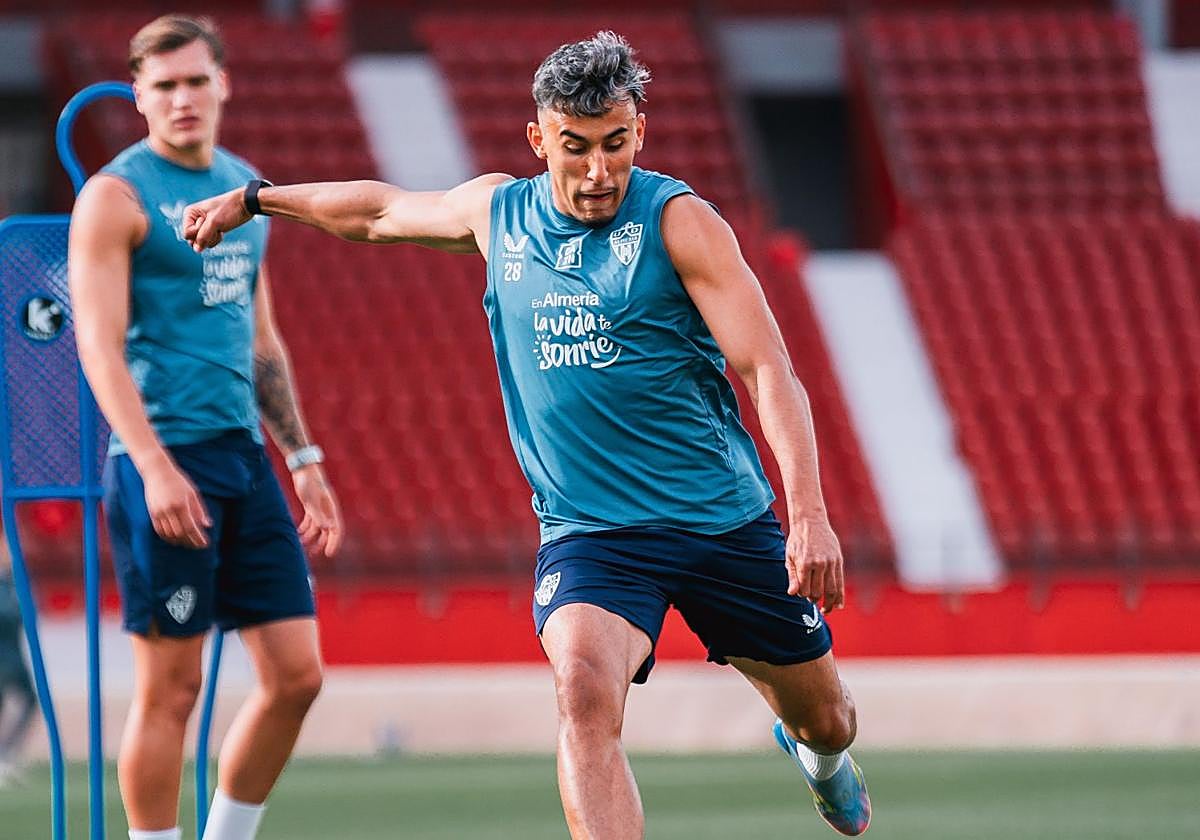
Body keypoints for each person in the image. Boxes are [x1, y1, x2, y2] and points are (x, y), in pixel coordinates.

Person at [184, 30, 870, 838]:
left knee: (829, 718)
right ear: (539, 140)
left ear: (639, 132)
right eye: (576, 147)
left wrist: (809, 515)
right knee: (582, 692)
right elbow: (377, 212)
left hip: (722, 521)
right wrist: (257, 199)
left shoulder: (680, 223)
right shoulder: (499, 214)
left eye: (615, 144)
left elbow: (767, 369)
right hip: (594, 534)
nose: (598, 170)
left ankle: (817, 755)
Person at [67, 15, 342, 840]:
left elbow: (261, 341)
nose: (182, 98)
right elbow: (97, 347)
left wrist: (302, 456)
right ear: (138, 96)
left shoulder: (243, 187)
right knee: (172, 690)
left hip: (243, 460)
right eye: (164, 86)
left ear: (223, 83)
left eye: (195, 80)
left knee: (297, 677)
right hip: (160, 458)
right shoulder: (114, 197)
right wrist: (153, 466)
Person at [0, 536, 37, 785]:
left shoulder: (11, 582)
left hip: (14, 654)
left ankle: (6, 752)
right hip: (4, 655)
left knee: (28, 701)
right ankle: (3, 755)